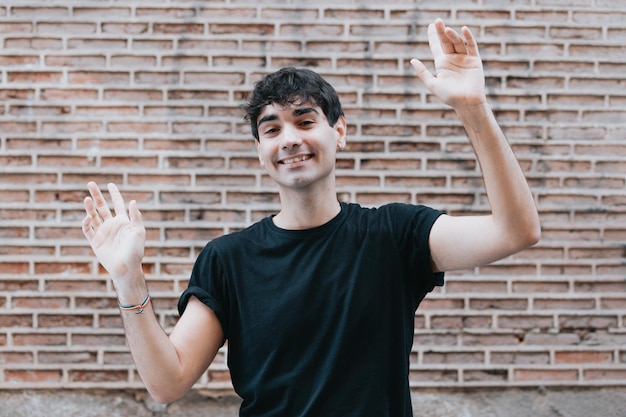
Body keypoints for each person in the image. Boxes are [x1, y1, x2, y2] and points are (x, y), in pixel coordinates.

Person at [81, 19, 540, 417]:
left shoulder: (393, 235)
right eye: (272, 129)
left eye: (304, 121)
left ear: (338, 132)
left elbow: (515, 231)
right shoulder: (228, 259)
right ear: (260, 150)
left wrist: (473, 109)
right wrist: (128, 279)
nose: (289, 139)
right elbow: (169, 383)